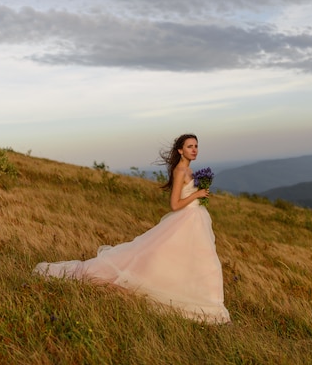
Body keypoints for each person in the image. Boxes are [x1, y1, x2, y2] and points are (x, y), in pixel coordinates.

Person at [33, 134, 231, 324]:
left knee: (201, 264)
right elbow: (174, 204)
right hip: (184, 221)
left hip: (196, 221)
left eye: (196, 146)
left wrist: (200, 197)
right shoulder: (180, 171)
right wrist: (196, 196)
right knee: (186, 262)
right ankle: (210, 309)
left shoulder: (190, 171)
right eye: (190, 146)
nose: (194, 150)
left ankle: (211, 307)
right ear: (180, 150)